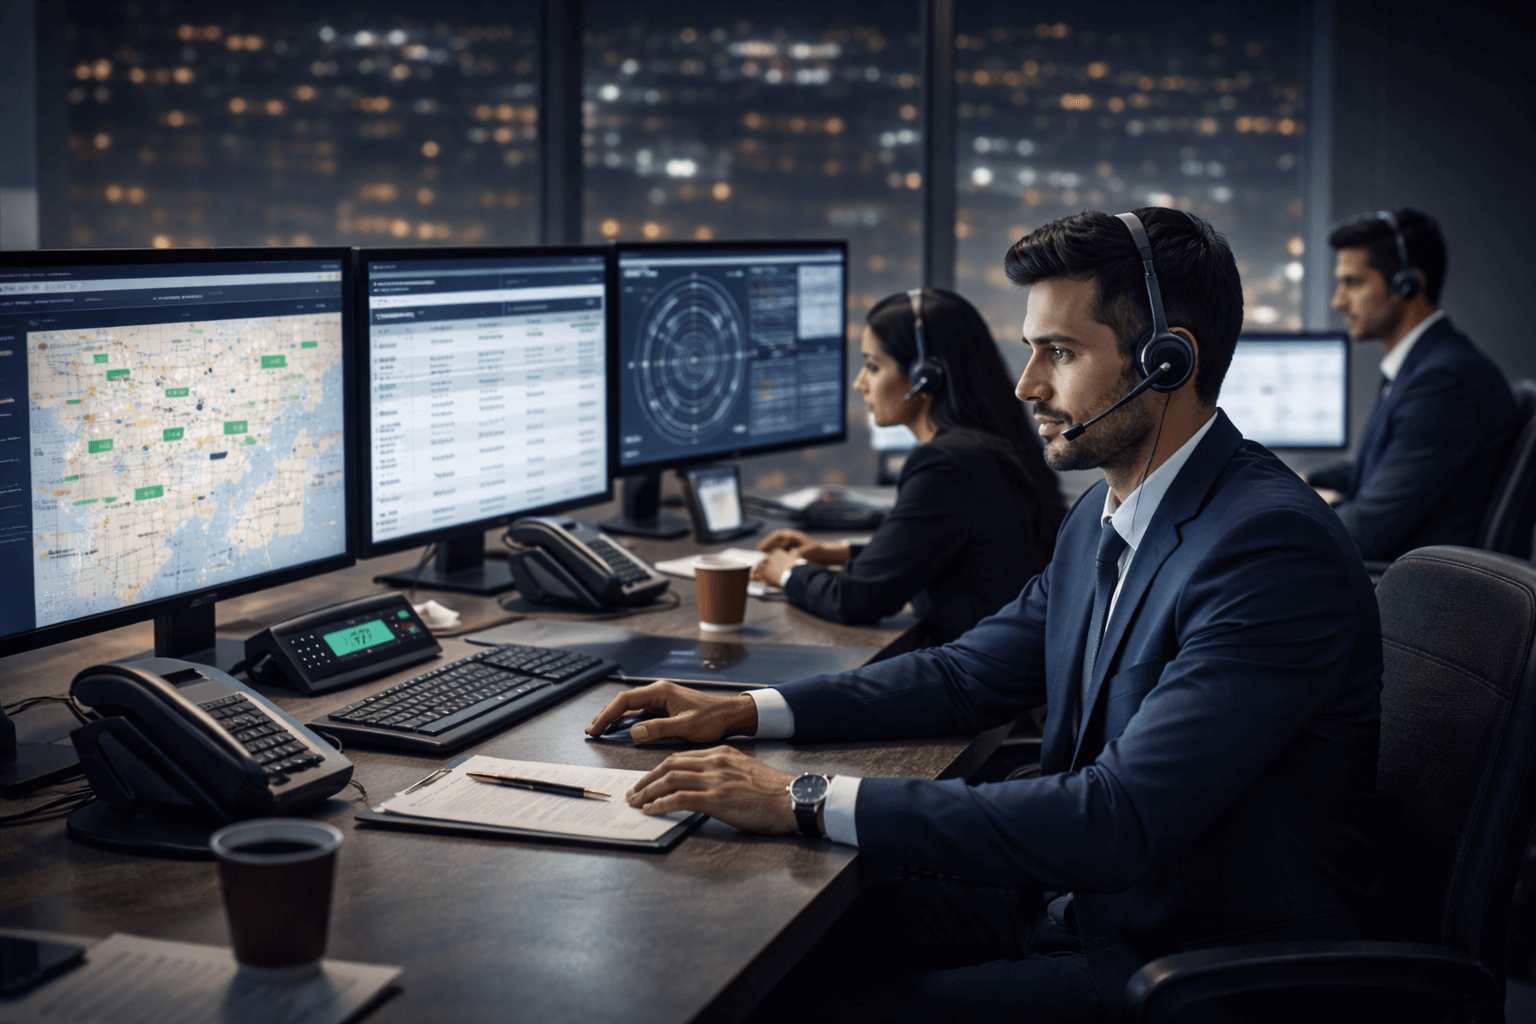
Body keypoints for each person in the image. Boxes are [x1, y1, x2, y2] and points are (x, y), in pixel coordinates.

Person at [586, 208, 1382, 1022]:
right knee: (761, 940)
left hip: (1182, 963)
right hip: (1075, 906)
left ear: (1168, 362)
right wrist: (746, 711)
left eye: (1060, 353)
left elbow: (1117, 818)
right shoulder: (1105, 515)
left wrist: (803, 796)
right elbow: (965, 675)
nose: (1026, 384)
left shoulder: (1268, 549)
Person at [751, 288, 1065, 643]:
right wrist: (834, 552)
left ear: (925, 375)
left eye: (873, 366)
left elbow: (855, 600)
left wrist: (789, 572)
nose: (860, 383)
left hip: (980, 674)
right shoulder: (988, 443)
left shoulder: (946, 463)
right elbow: (938, 548)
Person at [1307, 207, 1516, 562]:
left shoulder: (1447, 381)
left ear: (1408, 285)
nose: (1338, 301)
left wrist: (1283, 521)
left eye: (1353, 283)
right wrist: (1302, 481)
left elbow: (1366, 531)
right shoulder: (1422, 366)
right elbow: (1374, 470)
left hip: (1413, 588)